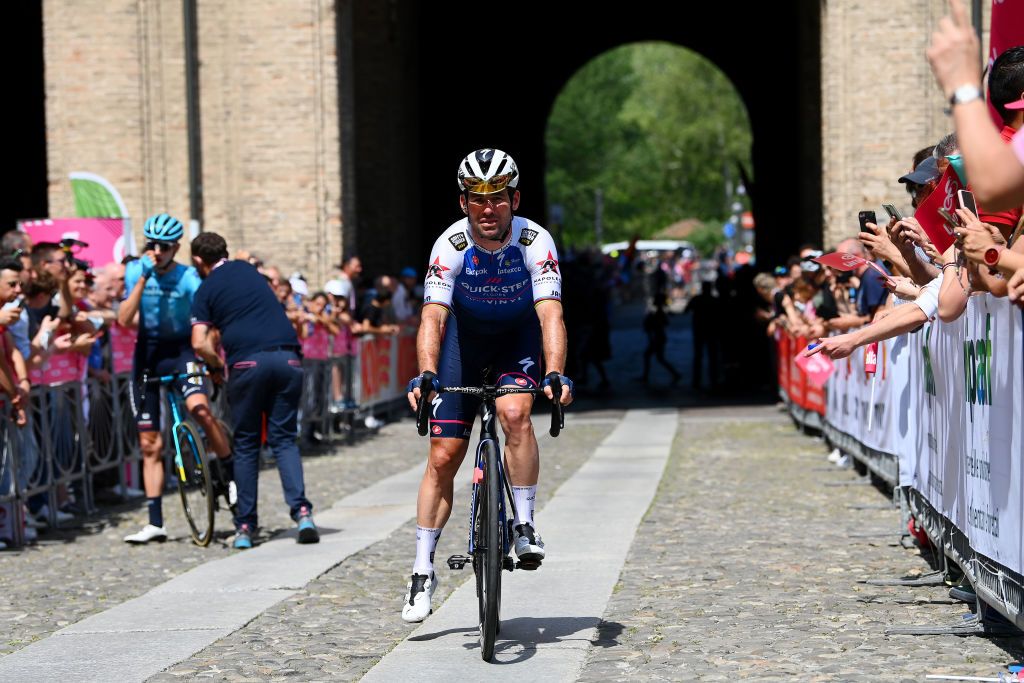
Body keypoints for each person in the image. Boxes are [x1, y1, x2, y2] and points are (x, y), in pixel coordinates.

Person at [403, 148, 573, 622]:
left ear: (513, 198)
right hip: (464, 344)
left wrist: (555, 371)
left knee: (515, 414)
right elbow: (433, 317)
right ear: (464, 203)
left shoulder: (535, 241)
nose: (488, 209)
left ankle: (523, 522)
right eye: (478, 199)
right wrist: (428, 374)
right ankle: (422, 569)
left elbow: (550, 313)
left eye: (497, 198)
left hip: (515, 338)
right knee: (443, 455)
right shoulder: (450, 245)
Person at [189, 231, 319, 550]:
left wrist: (215, 365)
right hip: (287, 358)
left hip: (247, 363)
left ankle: (245, 526)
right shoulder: (249, 271)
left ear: (197, 261)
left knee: (247, 444)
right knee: (284, 439)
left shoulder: (205, 289)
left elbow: (199, 343)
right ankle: (302, 512)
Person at [118, 213, 234, 544]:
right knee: (149, 443)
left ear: (176, 248)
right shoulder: (135, 270)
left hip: (183, 350)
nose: (156, 251)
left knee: (199, 409)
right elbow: (125, 320)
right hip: (147, 356)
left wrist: (212, 357)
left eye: (164, 247)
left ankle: (228, 467)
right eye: (151, 245)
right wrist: (142, 280)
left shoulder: (188, 278)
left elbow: (207, 324)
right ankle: (155, 522)